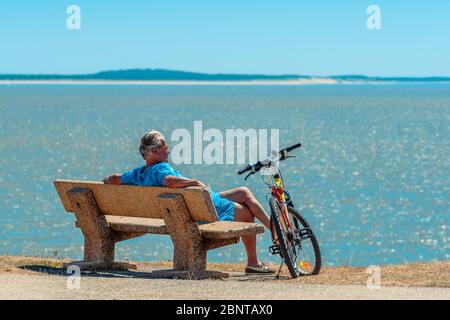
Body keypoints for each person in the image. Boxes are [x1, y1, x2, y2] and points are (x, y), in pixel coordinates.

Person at [103, 129, 275, 274]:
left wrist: (108, 179)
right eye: (165, 147)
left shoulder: (138, 174)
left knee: (243, 191)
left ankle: (275, 232)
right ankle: (260, 253)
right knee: (247, 212)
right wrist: (194, 182)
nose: (168, 150)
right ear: (154, 151)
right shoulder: (159, 169)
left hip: (196, 205)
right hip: (204, 208)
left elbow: (114, 178)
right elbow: (169, 181)